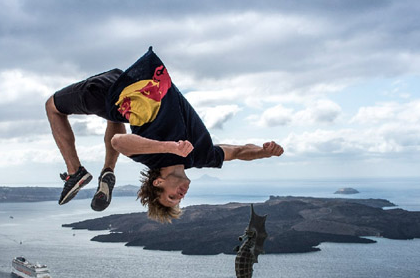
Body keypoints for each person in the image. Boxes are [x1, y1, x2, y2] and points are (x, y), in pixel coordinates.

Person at [45, 47, 284, 223]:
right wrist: (265, 152)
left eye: (171, 198)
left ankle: (75, 171)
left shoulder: (153, 157)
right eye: (178, 200)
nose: (180, 196)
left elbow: (120, 142)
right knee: (117, 115)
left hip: (113, 90)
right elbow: (239, 152)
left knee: (52, 107)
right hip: (134, 90)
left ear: (158, 182)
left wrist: (169, 147)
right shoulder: (200, 157)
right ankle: (107, 171)